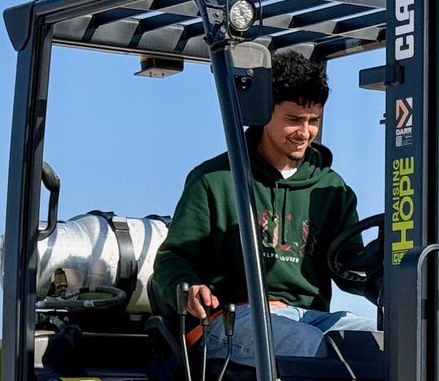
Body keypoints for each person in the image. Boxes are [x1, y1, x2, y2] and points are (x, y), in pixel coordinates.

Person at [151, 50, 373, 363]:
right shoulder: (216, 180)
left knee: (378, 342)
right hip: (227, 319)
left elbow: (350, 265)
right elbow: (173, 257)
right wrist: (187, 288)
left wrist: (384, 274)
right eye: (293, 120)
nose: (304, 133)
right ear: (264, 111)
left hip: (310, 316)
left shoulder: (332, 189)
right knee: (309, 344)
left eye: (313, 121)